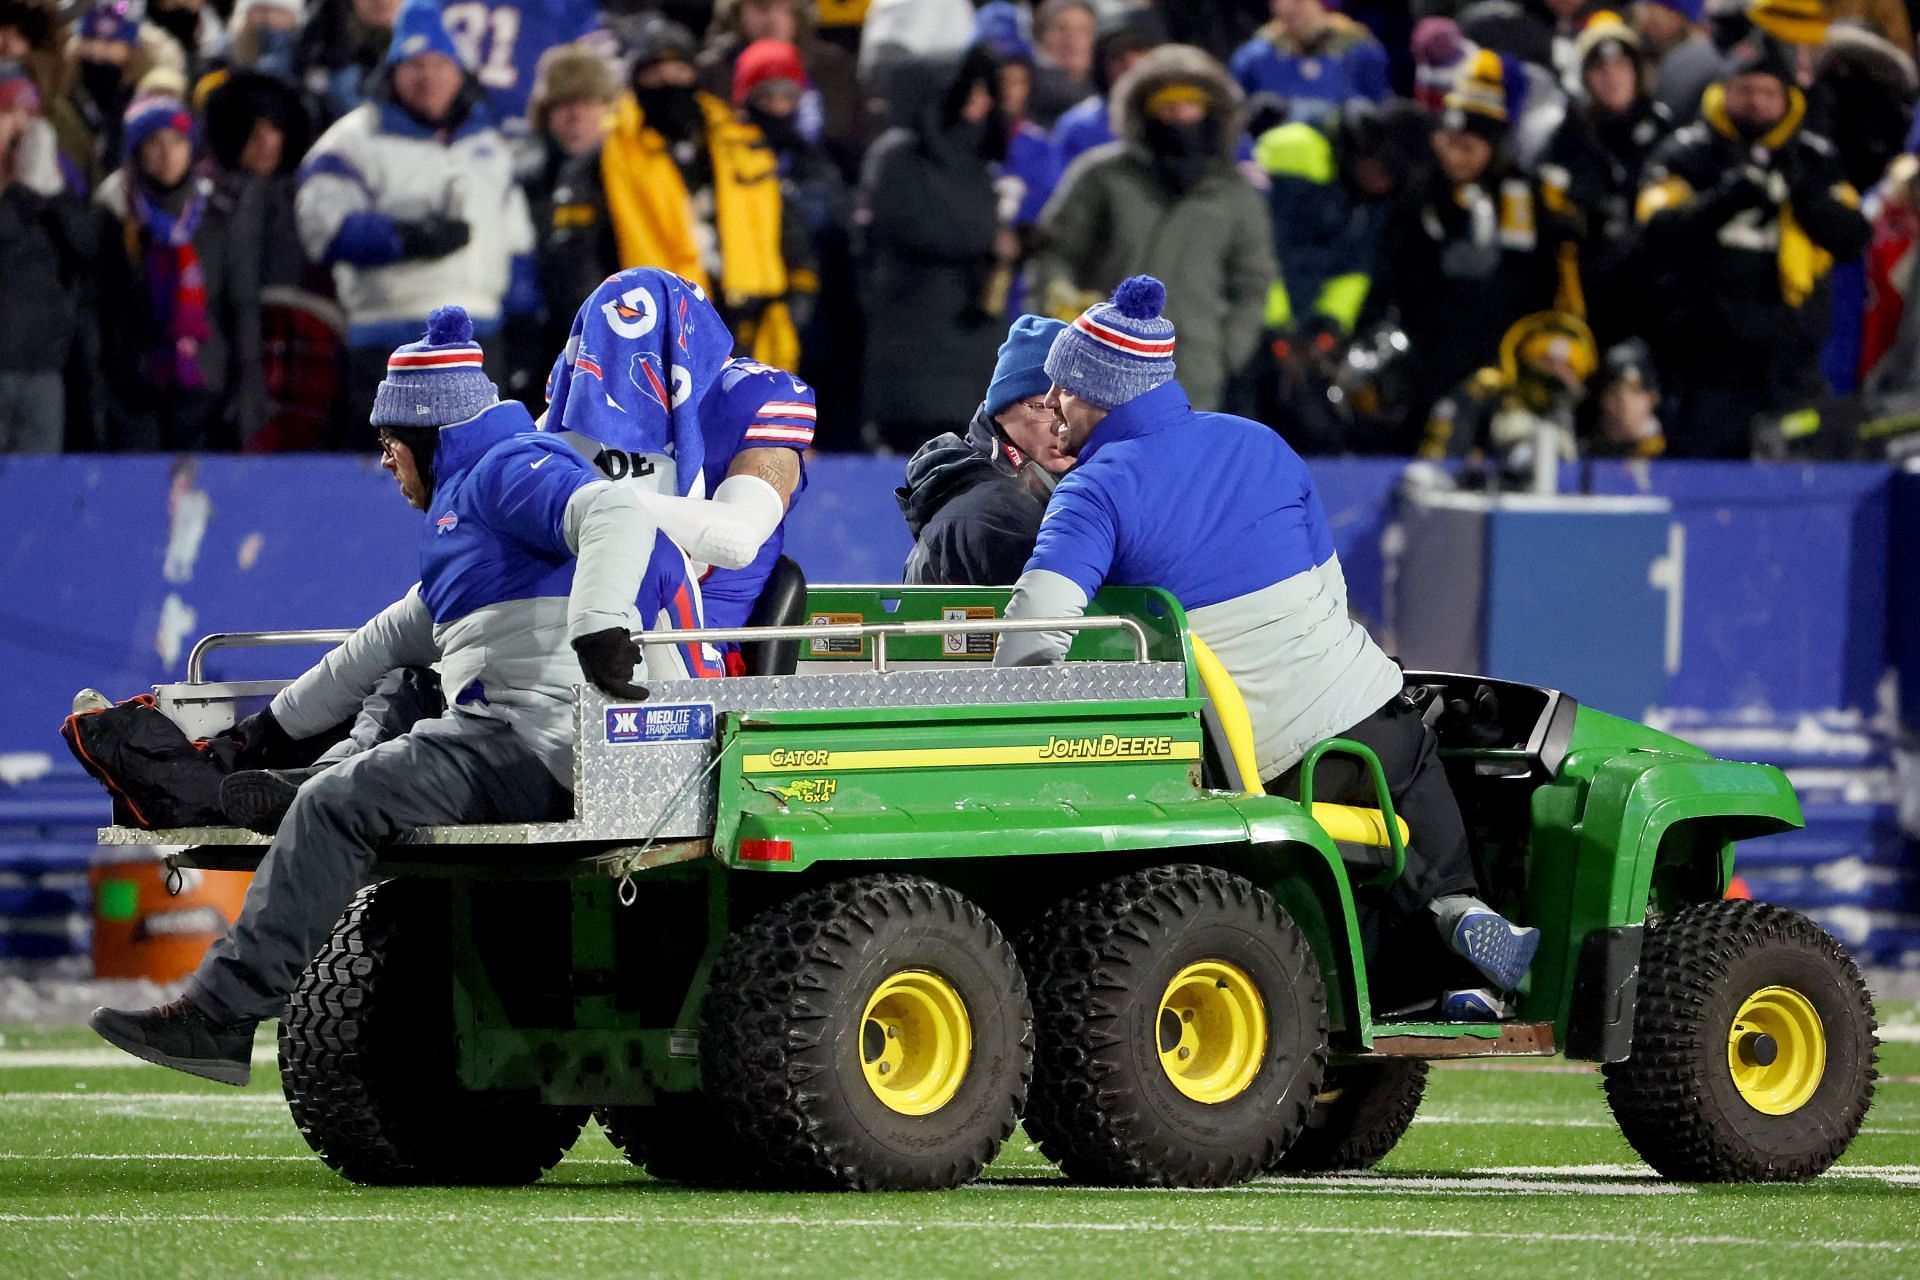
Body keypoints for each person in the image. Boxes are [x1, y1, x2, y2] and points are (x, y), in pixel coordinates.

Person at [87, 304, 701, 1085]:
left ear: (429, 435)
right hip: (519, 735)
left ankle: (221, 1014)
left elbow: (614, 511)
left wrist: (600, 627)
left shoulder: (505, 468)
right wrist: (259, 734)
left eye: (388, 444)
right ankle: (305, 780)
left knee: (338, 805)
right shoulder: (470, 511)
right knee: (402, 680)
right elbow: (371, 649)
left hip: (536, 743)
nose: (384, 463)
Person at [995, 276, 1540, 1021]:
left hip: (1252, 764)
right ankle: (1459, 927)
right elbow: (1328, 593)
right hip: (1367, 720)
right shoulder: (1263, 444)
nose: (1052, 402)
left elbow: (1031, 640)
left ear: (1102, 395)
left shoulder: (1095, 490)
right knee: (1415, 756)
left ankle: (1441, 942)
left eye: (1064, 388)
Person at [540, 267, 808, 675]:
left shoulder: (747, 397)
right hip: (570, 628)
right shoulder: (582, 391)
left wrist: (589, 502)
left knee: (656, 558)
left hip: (691, 644)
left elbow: (735, 538)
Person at [296, 0, 536, 439]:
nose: (428, 77)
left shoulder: (487, 145)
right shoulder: (355, 138)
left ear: (459, 73)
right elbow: (322, 226)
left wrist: (522, 321)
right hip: (389, 339)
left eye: (439, 64)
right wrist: (407, 238)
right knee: (388, 478)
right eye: (414, 65)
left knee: (475, 476)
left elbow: (516, 239)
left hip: (480, 341)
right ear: (392, 73)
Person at [1635, 36, 1871, 457]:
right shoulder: (1686, 154)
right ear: (1725, 91)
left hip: (1791, 370)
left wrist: (1802, 191)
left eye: (1768, 92)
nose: (1756, 103)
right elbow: (1655, 232)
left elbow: (1853, 237)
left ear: (1787, 98)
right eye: (1746, 90)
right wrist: (1727, 198)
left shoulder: (1816, 159)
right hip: (1707, 369)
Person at [546, 17, 809, 372]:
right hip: (653, 338)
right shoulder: (604, 159)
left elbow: (786, 229)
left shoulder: (739, 142)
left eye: (678, 69)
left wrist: (798, 296)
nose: (667, 81)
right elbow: (576, 264)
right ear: (634, 80)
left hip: (751, 324)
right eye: (654, 72)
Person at [1031, 43, 1274, 414]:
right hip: (1101, 366)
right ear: (1142, 113)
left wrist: (1226, 350)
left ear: (1212, 112)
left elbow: (1253, 280)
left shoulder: (1234, 194)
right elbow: (1055, 252)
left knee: (1184, 469)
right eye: (1166, 106)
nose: (1179, 117)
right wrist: (1064, 313)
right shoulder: (1101, 177)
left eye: (1190, 105)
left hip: (1195, 370)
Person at [1372, 49, 1580, 451]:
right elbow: (1390, 270)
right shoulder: (1418, 193)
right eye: (1448, 143)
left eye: (1468, 147)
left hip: (1504, 362)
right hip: (1426, 359)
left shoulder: (1528, 197)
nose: (1455, 156)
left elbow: (1545, 280)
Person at [857, 45, 1007, 452]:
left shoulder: (977, 163)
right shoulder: (898, 156)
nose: (984, 102)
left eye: (986, 92)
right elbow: (912, 226)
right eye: (971, 91)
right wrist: (987, 238)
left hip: (970, 343)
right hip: (911, 343)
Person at [95, 92, 254, 450]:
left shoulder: (217, 218)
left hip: (205, 388)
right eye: (154, 142)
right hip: (135, 389)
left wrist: (245, 389)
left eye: (177, 141)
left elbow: (239, 305)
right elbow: (102, 311)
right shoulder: (115, 220)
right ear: (135, 152)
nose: (167, 154)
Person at [897, 314, 1071, 585]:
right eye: (1043, 408)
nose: (1061, 426)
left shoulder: (1041, 486)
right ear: (1002, 409)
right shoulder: (994, 513)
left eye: (1070, 408)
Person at [1538, 15, 1674, 350]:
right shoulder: (1568, 137)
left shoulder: (1667, 133)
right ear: (1584, 78)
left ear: (1638, 72)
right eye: (1599, 68)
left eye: (1621, 65)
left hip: (1656, 289)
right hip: (1593, 289)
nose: (1612, 77)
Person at [0, 62, 94, 452]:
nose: (23, 126)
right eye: (10, 112)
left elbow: (88, 247)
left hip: (42, 366)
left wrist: (50, 193)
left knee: (39, 496)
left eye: (29, 113)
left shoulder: (53, 175)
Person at [1229, 0, 1391, 125]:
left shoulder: (1361, 51)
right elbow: (1237, 123)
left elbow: (1379, 111)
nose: (1286, 6)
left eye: (1299, 3)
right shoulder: (1253, 58)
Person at [1049, 10, 1162, 169]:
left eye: (1139, 53)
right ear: (1103, 66)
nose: (1130, 65)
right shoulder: (1078, 126)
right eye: (1118, 57)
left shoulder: (1174, 115)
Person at [1632, 0, 1718, 121]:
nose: (1646, 18)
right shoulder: (1648, 53)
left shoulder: (1699, 62)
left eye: (1654, 9)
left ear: (1678, 16)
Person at [1031, 0, 1096, 126]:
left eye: (1082, 30)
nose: (1071, 40)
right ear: (1040, 36)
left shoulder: (1107, 91)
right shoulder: (1027, 91)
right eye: (1061, 29)